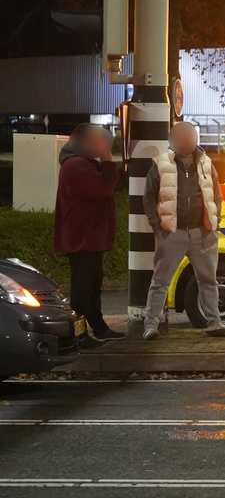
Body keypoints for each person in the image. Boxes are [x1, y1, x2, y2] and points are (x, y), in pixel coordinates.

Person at [142, 122, 225, 339]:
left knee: (208, 279)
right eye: (181, 137)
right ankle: (150, 325)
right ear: (173, 140)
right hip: (173, 231)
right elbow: (148, 198)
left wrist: (214, 222)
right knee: (161, 281)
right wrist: (158, 227)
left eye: (189, 137)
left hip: (203, 231)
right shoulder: (161, 165)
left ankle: (214, 322)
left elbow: (216, 194)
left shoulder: (206, 163)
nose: (186, 141)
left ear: (195, 139)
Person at [53, 124, 122, 343]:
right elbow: (103, 189)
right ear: (85, 143)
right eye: (99, 141)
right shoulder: (76, 165)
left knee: (92, 285)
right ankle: (79, 335)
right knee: (83, 289)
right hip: (82, 238)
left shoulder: (82, 163)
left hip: (87, 237)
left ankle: (98, 327)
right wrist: (108, 160)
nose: (104, 145)